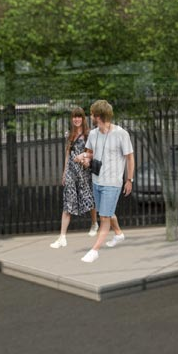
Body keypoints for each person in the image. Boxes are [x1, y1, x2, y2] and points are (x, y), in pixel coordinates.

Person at [80, 99, 133, 264]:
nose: (90, 116)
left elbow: (129, 158)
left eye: (92, 114)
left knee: (103, 217)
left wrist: (129, 179)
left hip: (113, 183)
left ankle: (94, 250)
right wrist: (85, 159)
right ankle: (118, 234)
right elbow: (89, 153)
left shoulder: (121, 134)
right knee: (106, 212)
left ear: (98, 116)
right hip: (97, 180)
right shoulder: (94, 134)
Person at [48, 106, 98, 249]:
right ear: (72, 119)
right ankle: (62, 237)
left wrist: (84, 158)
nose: (76, 119)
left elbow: (93, 153)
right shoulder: (69, 134)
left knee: (88, 198)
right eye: (74, 117)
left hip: (83, 171)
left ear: (83, 118)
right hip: (71, 172)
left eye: (79, 117)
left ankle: (94, 223)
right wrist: (64, 172)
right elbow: (67, 154)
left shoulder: (89, 135)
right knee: (67, 203)